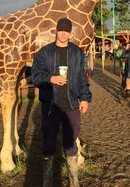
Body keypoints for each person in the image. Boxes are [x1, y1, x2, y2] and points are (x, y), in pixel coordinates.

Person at [31, 18, 92, 187]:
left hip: (72, 105)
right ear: (56, 31)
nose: (63, 33)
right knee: (49, 141)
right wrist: (51, 78)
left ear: (70, 33)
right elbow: (35, 75)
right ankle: (47, 181)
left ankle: (74, 180)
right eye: (61, 30)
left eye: (66, 30)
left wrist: (85, 98)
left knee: (71, 141)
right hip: (51, 105)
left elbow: (82, 78)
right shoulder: (45, 52)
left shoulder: (77, 53)